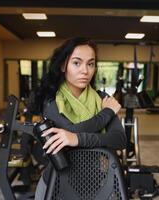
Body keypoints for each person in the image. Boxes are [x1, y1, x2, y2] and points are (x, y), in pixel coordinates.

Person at [34, 37, 127, 199]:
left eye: (90, 64)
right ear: (64, 65)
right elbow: (70, 130)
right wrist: (106, 114)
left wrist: (77, 139)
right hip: (55, 185)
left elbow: (119, 139)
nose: (85, 70)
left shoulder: (102, 99)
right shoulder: (51, 100)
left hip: (94, 184)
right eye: (77, 63)